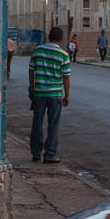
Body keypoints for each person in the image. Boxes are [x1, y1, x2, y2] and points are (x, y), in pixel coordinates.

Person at [29, 26, 71, 163]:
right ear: (61, 39)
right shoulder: (63, 55)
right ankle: (50, 154)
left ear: (48, 37)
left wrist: (32, 87)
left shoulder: (37, 51)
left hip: (39, 93)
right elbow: (66, 77)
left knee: (37, 123)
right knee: (53, 124)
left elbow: (31, 70)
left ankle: (36, 153)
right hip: (55, 94)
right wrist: (67, 95)